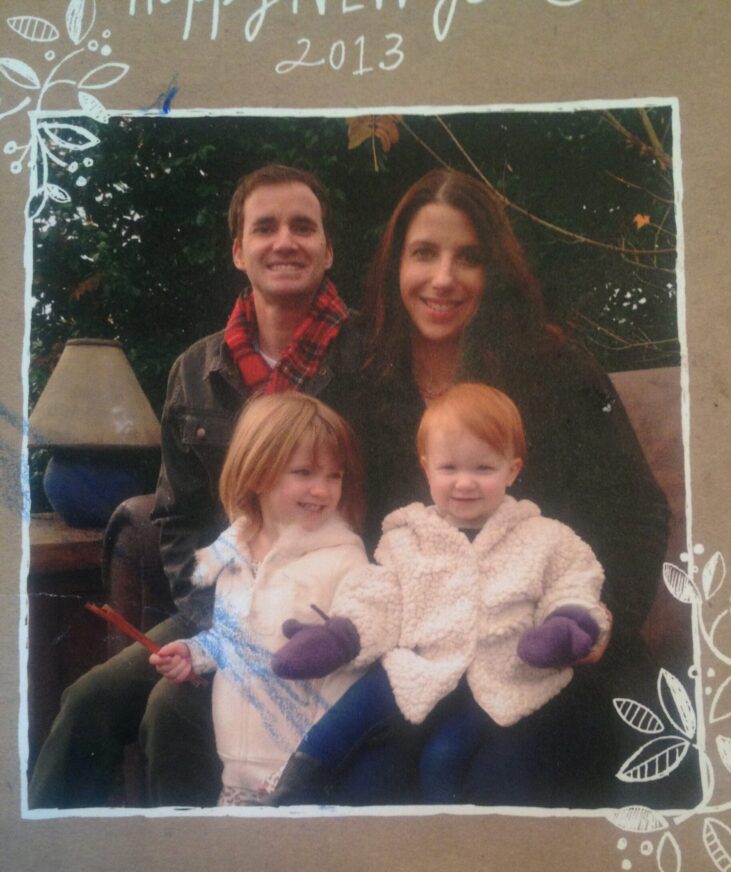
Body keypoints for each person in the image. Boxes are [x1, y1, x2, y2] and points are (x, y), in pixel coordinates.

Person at [327, 169, 673, 806]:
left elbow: (637, 512)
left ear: (496, 271)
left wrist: (594, 625)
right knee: (357, 784)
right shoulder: (363, 376)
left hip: (540, 658)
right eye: (423, 253)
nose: (443, 278)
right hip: (416, 659)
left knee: (491, 788)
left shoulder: (554, 367)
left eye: (469, 257)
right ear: (395, 265)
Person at [28, 164, 364, 809]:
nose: (284, 241)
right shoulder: (195, 371)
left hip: (327, 606)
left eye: (303, 227)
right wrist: (225, 631)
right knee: (88, 700)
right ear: (239, 250)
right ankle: (46, 845)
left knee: (169, 708)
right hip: (225, 606)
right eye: (264, 228)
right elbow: (179, 520)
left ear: (328, 250)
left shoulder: (371, 361)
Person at [267, 383, 611, 805]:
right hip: (422, 667)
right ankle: (293, 787)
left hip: (500, 673)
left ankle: (442, 833)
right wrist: (342, 635)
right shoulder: (409, 537)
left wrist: (567, 622)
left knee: (443, 757)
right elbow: (380, 597)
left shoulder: (545, 537)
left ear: (512, 470)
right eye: (449, 468)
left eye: (483, 468)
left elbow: (575, 580)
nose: (464, 483)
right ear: (427, 469)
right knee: (351, 714)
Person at [150, 393, 369, 806]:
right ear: (255, 473)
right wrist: (194, 653)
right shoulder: (232, 553)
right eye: (303, 472)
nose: (322, 490)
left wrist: (310, 764)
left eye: (334, 475)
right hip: (236, 776)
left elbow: (350, 674)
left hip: (304, 778)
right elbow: (233, 636)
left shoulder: (345, 562)